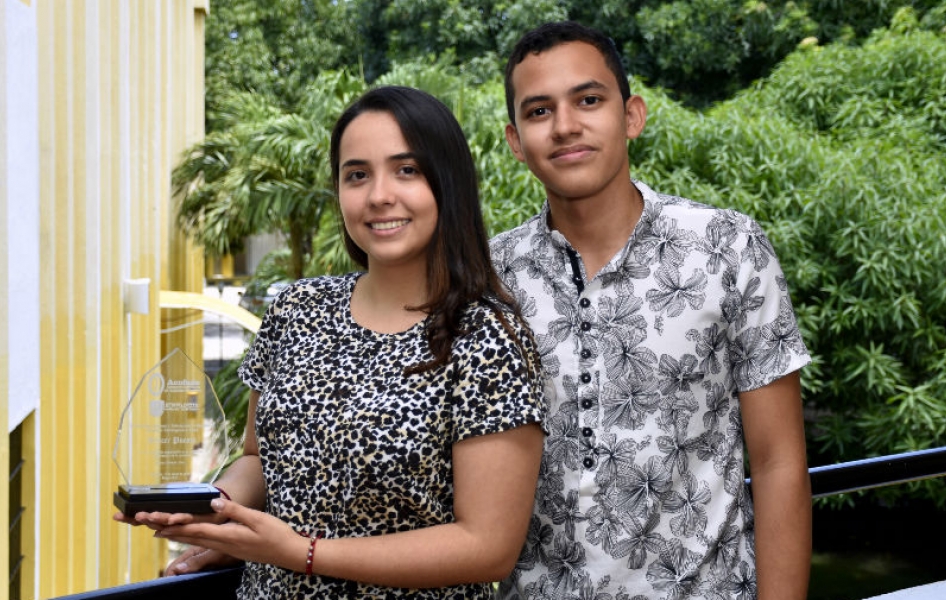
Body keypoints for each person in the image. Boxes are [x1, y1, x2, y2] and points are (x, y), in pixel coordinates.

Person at [116, 85, 547, 599]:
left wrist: (300, 552)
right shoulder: (296, 309)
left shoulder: (486, 337)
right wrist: (218, 512)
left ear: (447, 184)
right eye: (357, 174)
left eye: (406, 170)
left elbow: (487, 546)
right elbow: (257, 458)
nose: (379, 194)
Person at [489, 21, 813, 600]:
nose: (565, 126)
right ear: (515, 141)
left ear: (631, 115)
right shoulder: (490, 278)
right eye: (539, 112)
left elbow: (779, 462)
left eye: (588, 100)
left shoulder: (727, 247)